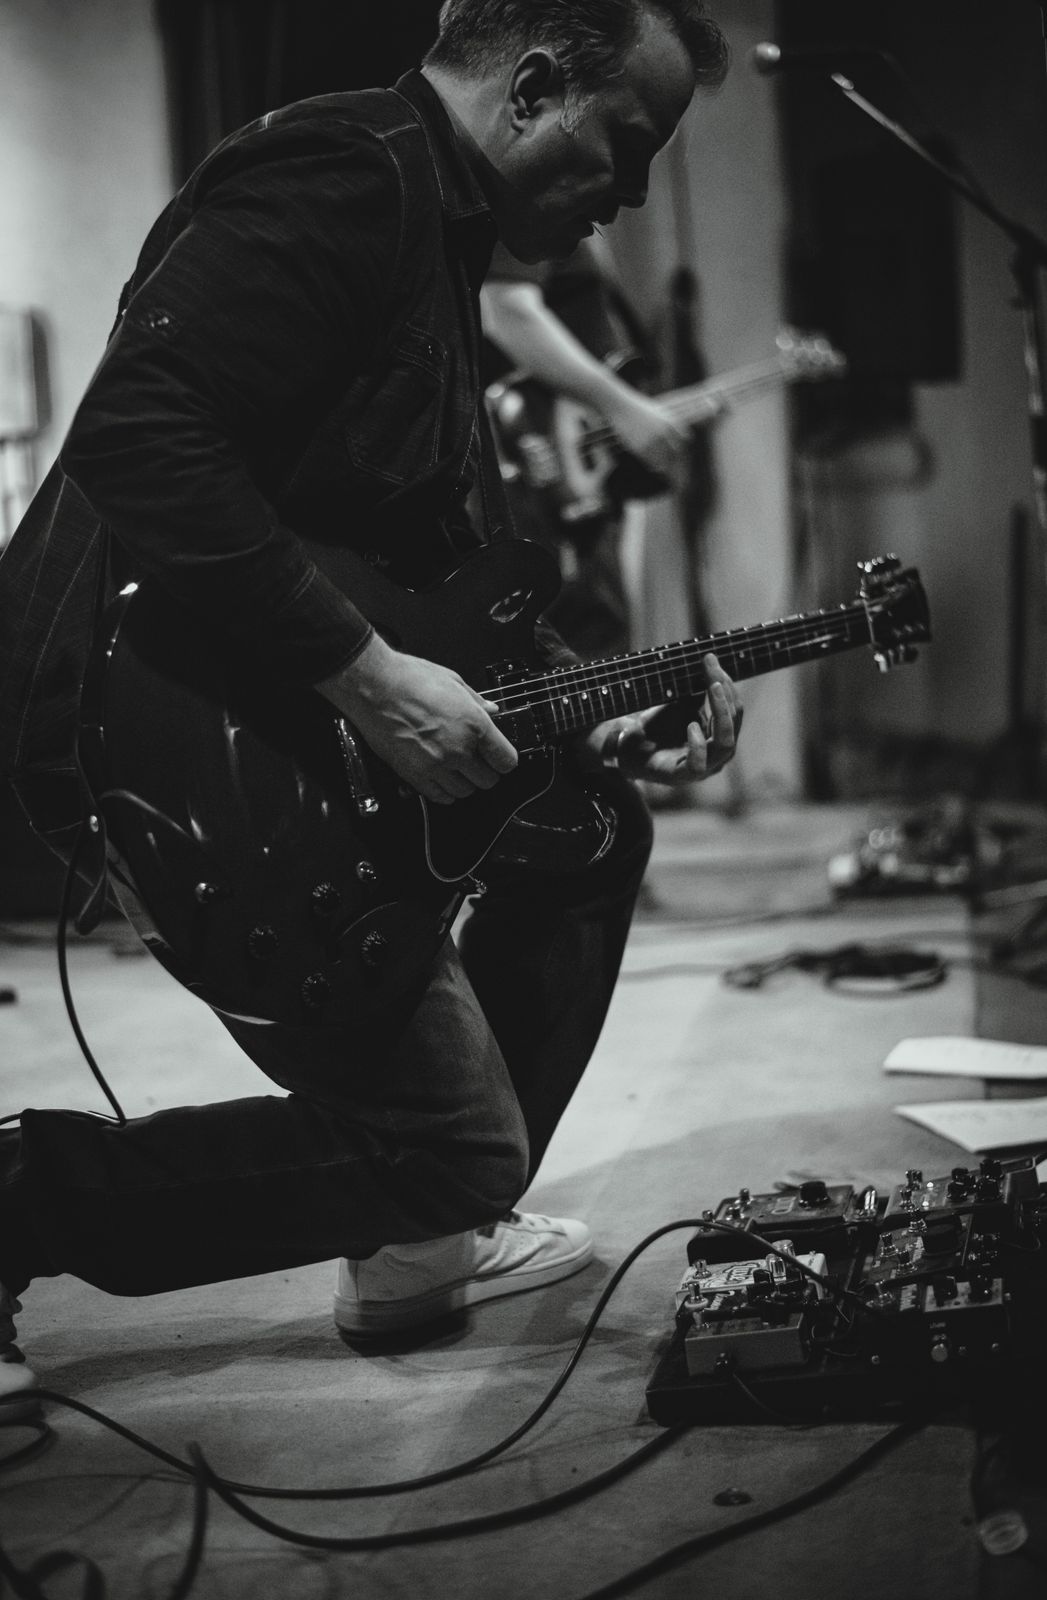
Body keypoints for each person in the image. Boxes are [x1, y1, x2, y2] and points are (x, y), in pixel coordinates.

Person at [0, 0, 735, 1420]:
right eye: (628, 141)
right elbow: (138, 434)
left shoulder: (438, 229)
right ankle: (27, 1199)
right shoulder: (351, 171)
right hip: (161, 722)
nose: (636, 191)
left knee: (584, 829)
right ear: (532, 88)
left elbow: (426, 559)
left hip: (251, 694)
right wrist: (371, 678)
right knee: (451, 1150)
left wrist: (593, 706)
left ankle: (425, 1227)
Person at [482, 235, 690, 656]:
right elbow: (506, 310)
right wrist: (622, 407)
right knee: (581, 648)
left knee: (599, 642)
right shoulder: (541, 209)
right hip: (533, 473)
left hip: (580, 488)